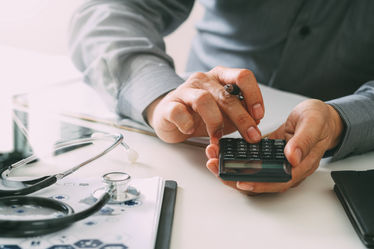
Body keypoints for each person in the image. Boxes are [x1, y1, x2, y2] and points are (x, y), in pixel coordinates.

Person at [69, 0, 374, 194]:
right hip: (188, 142)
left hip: (340, 169)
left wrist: (339, 121)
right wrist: (159, 96)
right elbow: (108, 11)